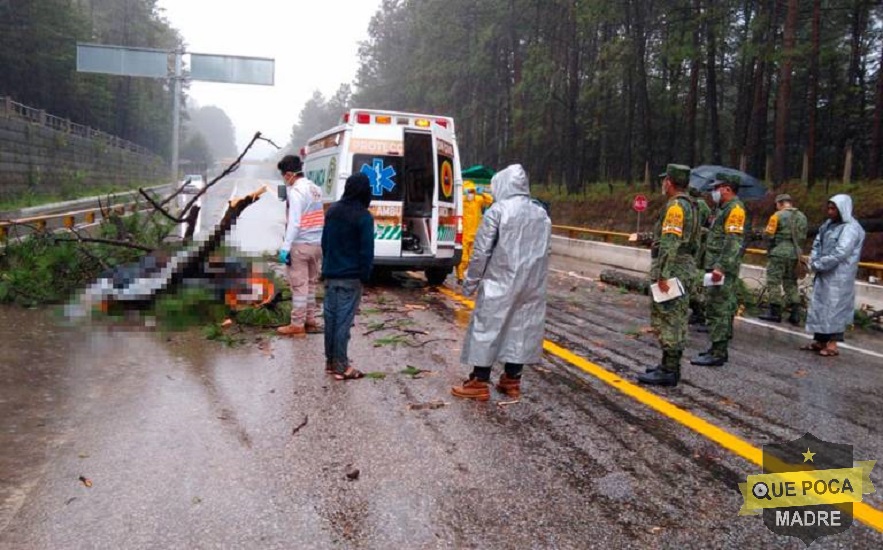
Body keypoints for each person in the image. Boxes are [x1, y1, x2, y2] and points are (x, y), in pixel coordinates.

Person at [451, 164, 551, 401]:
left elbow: (481, 251)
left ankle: (479, 380)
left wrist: (470, 282)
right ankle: (512, 380)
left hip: (501, 279)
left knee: (488, 327)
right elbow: (546, 250)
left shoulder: (497, 211)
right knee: (522, 327)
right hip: (532, 283)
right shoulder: (541, 213)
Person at [639, 164, 699, 387]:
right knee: (674, 316)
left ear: (670, 183)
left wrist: (663, 275)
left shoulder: (675, 207)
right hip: (684, 266)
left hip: (672, 269)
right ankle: (666, 364)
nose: (663, 184)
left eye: (665, 180)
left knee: (669, 318)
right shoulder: (692, 205)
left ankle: (669, 370)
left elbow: (670, 244)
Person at [321, 173, 375, 380]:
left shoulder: (333, 211)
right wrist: (365, 275)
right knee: (343, 323)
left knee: (331, 320)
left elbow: (325, 242)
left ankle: (330, 362)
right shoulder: (363, 216)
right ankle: (342, 367)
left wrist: (328, 266)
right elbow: (366, 251)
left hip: (331, 275)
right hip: (350, 278)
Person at [691, 173, 745, 367]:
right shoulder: (724, 209)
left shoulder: (735, 209)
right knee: (717, 305)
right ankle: (715, 347)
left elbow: (733, 242)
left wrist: (721, 267)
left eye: (717, 188)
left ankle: (719, 352)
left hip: (721, 268)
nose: (714, 192)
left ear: (727, 189)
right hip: (715, 264)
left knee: (719, 308)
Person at [802, 194, 865, 357]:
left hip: (839, 275)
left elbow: (841, 253)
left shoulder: (851, 228)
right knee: (821, 306)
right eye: (828, 208)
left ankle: (833, 343)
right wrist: (814, 259)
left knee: (836, 308)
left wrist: (818, 264)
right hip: (824, 271)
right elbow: (817, 242)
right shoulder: (828, 225)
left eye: (833, 209)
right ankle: (820, 340)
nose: (829, 212)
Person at [276, 155, 325, 337]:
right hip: (316, 245)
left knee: (299, 286)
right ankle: (310, 321)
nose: (284, 180)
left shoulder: (296, 192)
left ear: (289, 174)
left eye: (284, 176)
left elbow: (295, 222)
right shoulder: (315, 189)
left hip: (301, 244)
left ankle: (297, 325)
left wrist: (285, 247)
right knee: (311, 284)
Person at [758, 194, 808, 325]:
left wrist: (768, 245)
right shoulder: (802, 217)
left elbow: (769, 235)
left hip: (779, 253)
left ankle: (775, 312)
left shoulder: (777, 216)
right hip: (795, 254)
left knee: (773, 281)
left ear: (779, 203)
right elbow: (803, 237)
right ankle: (795, 314)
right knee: (791, 282)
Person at [455, 180, 493, 283]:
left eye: (472, 191)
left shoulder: (478, 200)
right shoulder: (462, 201)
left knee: (473, 257)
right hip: (464, 233)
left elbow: (490, 200)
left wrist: (481, 193)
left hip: (475, 233)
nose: (470, 194)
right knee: (463, 258)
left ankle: (470, 277)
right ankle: (460, 277)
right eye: (468, 191)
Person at [688, 186, 712, 328]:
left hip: (698, 249)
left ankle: (700, 311)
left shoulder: (695, 205)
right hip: (703, 248)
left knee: (693, 282)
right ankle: (700, 311)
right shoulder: (704, 206)